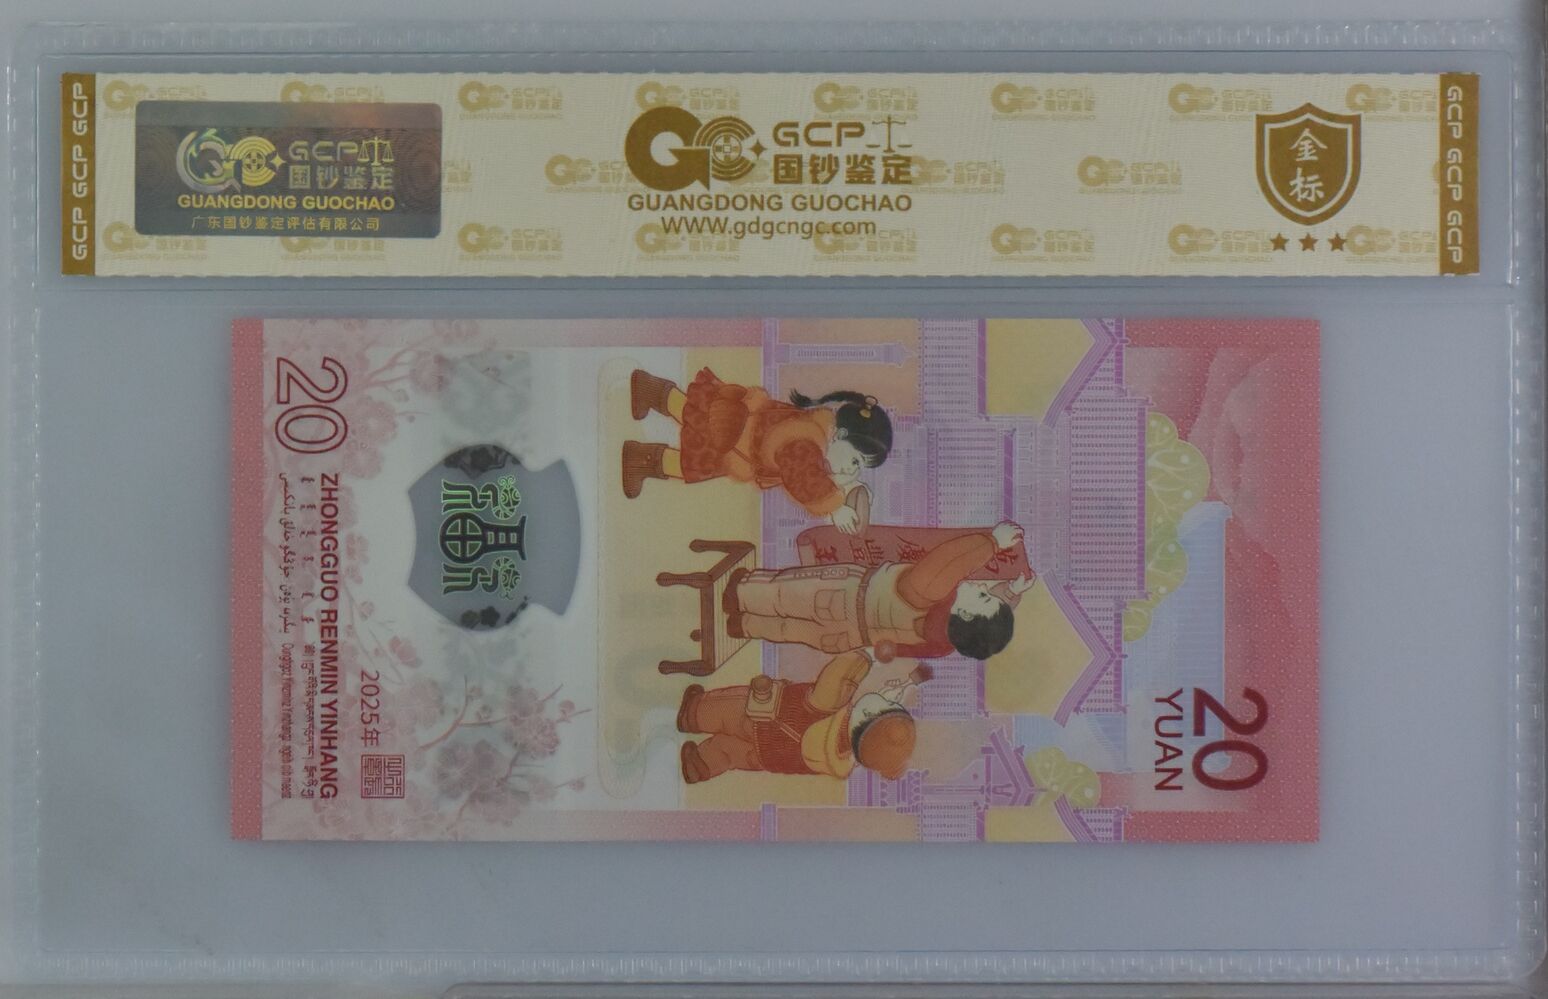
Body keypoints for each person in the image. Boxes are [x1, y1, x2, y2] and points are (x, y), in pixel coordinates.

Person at [622, 368, 892, 534]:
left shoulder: (817, 431)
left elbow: (819, 471)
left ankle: (649, 392)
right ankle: (640, 457)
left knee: (692, 411)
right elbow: (803, 478)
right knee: (691, 460)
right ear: (841, 435)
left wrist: (850, 488)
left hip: (740, 427)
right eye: (856, 460)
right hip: (734, 440)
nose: (852, 470)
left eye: (859, 468)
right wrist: (834, 507)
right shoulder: (807, 442)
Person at [725, 522, 1033, 662]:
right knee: (789, 630)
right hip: (848, 638)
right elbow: (981, 627)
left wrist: (992, 542)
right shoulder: (944, 644)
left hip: (842, 596)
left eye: (983, 596)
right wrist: (1010, 592)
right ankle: (746, 625)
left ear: (963, 613)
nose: (981, 587)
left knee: (783, 595)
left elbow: (948, 562)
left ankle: (740, 593)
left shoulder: (930, 592)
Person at [676, 650, 931, 783]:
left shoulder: (830, 705)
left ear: (867, 714)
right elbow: (886, 699)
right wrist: (911, 681)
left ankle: (693, 713)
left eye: (887, 704)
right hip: (766, 758)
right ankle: (702, 764)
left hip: (759, 719)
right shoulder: (840, 758)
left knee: (725, 710)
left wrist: (865, 656)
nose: (887, 697)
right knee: (729, 753)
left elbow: (839, 675)